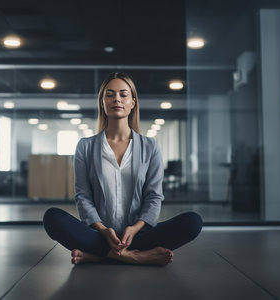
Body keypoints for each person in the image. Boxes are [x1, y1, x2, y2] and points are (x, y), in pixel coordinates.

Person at [43, 72, 202, 265]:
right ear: (102, 102)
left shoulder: (150, 147)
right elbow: (83, 196)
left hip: (139, 235)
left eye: (123, 94)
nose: (116, 99)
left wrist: (135, 228)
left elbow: (154, 196)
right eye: (109, 94)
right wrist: (103, 230)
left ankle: (97, 255)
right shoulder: (85, 146)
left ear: (133, 102)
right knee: (52, 218)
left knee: (193, 222)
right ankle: (135, 256)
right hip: (98, 234)